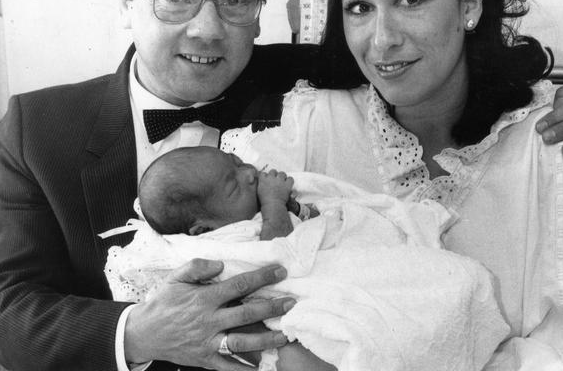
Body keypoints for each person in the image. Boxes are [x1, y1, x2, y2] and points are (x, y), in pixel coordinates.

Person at [0, 0, 563, 370]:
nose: (206, 28)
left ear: (259, 12)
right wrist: (138, 333)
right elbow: (8, 310)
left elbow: (440, 75)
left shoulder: (309, 89)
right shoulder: (41, 128)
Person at [222, 0, 563, 370]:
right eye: (359, 7)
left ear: (470, 2)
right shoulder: (310, 127)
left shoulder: (556, 143)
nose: (382, 40)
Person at [103, 146, 510, 371]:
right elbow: (279, 258)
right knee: (401, 315)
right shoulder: (221, 244)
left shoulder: (229, 214)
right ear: (200, 229)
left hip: (340, 276)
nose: (248, 173)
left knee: (446, 283)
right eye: (232, 183)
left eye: (237, 163)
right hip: (304, 309)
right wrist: (275, 203)